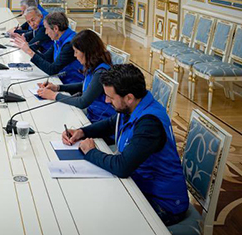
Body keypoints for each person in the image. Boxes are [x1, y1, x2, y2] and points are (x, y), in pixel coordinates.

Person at [63, 64, 189, 226]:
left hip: (163, 202)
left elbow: (122, 167)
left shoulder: (149, 124)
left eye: (110, 97)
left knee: (99, 221)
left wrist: (90, 151)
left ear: (129, 97)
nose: (106, 101)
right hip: (138, 185)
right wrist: (82, 132)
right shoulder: (134, 106)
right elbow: (111, 123)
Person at [37, 29, 115, 122]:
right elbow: (86, 85)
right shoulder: (95, 65)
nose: (74, 55)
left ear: (86, 52)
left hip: (100, 118)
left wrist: (54, 95)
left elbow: (82, 102)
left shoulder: (101, 72)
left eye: (76, 51)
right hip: (92, 113)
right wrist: (58, 87)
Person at [13, 12, 84, 84]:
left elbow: (52, 70)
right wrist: (28, 47)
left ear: (55, 28)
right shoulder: (59, 38)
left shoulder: (69, 44)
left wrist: (29, 51)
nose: (46, 32)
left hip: (71, 84)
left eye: (46, 29)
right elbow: (46, 58)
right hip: (61, 80)